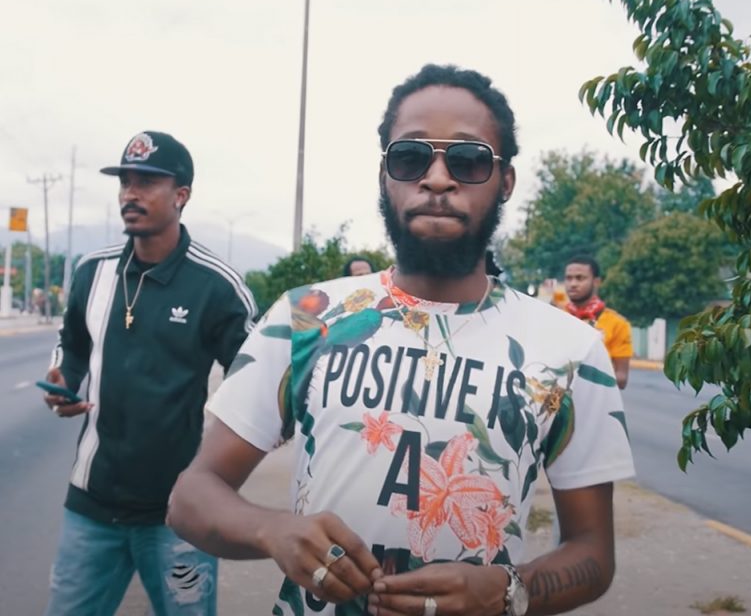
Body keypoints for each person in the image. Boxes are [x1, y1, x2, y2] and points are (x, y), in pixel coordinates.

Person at [167, 65, 634, 616]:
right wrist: (273, 531)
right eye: (410, 157)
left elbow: (593, 554)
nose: (437, 179)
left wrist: (509, 591)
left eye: (468, 160)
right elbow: (191, 497)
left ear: (505, 181)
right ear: (385, 175)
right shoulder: (306, 318)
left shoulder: (571, 351)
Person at [41, 130, 258, 615]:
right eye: (125, 182)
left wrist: (218, 476)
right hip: (91, 507)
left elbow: (255, 384)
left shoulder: (216, 286)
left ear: (181, 195)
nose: (130, 194)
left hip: (178, 516)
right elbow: (71, 345)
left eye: (146, 182)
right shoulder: (92, 272)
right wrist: (62, 379)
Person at [555, 255, 632, 390]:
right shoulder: (556, 318)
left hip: (595, 400)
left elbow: (622, 379)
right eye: (569, 278)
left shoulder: (618, 324)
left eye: (580, 278)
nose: (573, 284)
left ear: (596, 282)